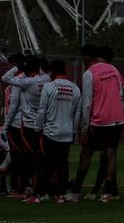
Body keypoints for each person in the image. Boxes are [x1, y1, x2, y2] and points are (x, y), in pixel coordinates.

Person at [68, 45, 124, 203]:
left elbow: (87, 103)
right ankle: (107, 193)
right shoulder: (114, 70)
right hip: (116, 120)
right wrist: (115, 109)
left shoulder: (89, 73)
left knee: (86, 154)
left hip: (98, 121)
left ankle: (75, 192)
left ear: (87, 57)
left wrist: (84, 127)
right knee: (111, 155)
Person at [2, 55, 50, 202]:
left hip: (28, 125)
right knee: (41, 158)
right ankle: (43, 189)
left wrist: (18, 67)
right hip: (43, 124)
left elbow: (5, 78)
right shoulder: (46, 79)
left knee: (29, 159)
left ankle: (31, 190)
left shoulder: (25, 81)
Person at [36, 60, 81, 204]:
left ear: (53, 72)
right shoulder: (75, 88)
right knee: (63, 164)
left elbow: (42, 110)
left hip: (51, 131)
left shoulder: (49, 87)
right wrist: (73, 130)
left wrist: (38, 128)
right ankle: (60, 194)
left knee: (47, 164)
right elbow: (78, 113)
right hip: (67, 133)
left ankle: (44, 193)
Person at [2, 53, 26, 197]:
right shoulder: (34, 78)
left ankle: (18, 188)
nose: (8, 68)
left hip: (17, 124)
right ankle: (24, 186)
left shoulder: (19, 80)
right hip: (29, 123)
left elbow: (14, 104)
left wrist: (6, 125)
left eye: (10, 65)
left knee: (17, 156)